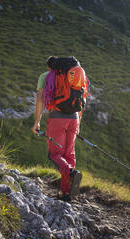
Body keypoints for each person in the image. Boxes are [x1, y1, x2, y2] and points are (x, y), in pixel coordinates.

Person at [31, 56, 84, 202]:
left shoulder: (46, 76)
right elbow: (82, 99)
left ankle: (72, 174)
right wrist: (78, 122)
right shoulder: (75, 76)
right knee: (69, 155)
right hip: (74, 118)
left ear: (50, 67)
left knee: (55, 154)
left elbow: (40, 99)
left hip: (57, 118)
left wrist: (37, 122)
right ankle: (64, 192)